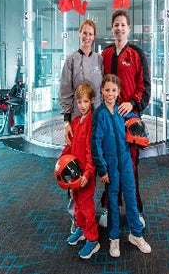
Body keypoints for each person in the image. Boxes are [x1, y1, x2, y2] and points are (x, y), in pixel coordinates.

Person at [99, 10, 151, 228]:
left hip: (129, 118)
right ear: (112, 28)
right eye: (116, 24)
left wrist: (133, 104)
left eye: (122, 24)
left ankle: (135, 210)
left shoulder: (137, 54)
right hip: (109, 118)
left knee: (129, 166)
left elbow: (145, 87)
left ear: (128, 28)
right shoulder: (106, 54)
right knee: (111, 165)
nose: (119, 28)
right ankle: (108, 207)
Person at [91, 74, 151, 258]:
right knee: (114, 201)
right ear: (102, 90)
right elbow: (95, 143)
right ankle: (114, 238)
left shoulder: (122, 111)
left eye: (114, 90)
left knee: (131, 197)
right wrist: (102, 169)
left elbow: (138, 124)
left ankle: (136, 234)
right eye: (107, 90)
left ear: (119, 93)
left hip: (125, 162)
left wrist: (141, 129)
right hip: (110, 166)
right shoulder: (99, 114)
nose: (110, 94)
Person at [59, 19, 103, 233]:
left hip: (96, 123)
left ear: (95, 36)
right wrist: (67, 120)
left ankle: (95, 214)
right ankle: (75, 218)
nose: (87, 37)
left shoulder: (99, 60)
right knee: (76, 168)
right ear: (79, 34)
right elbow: (66, 92)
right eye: (84, 33)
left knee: (94, 166)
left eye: (90, 33)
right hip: (77, 123)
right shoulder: (71, 60)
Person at [60, 83, 100, 260]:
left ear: (92, 101)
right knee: (77, 203)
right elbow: (70, 146)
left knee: (87, 206)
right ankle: (81, 229)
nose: (82, 105)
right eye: (79, 102)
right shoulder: (76, 122)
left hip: (86, 175)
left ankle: (93, 239)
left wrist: (88, 173)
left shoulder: (92, 123)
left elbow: (92, 151)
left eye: (85, 101)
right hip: (74, 175)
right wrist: (61, 163)